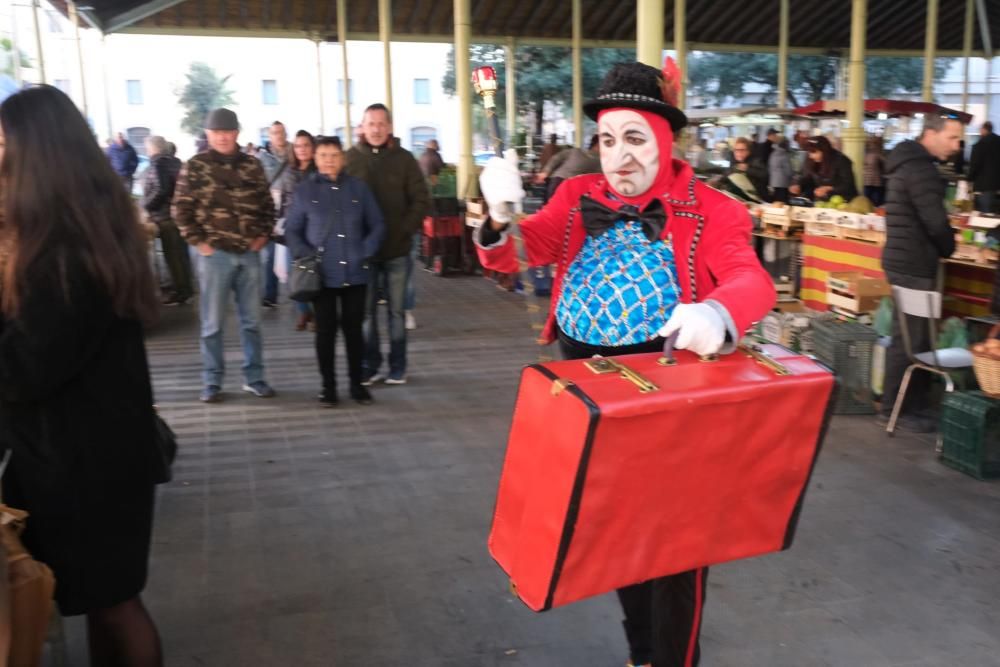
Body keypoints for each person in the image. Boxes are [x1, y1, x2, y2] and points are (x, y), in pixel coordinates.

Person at [477, 60, 775, 667]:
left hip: (672, 406)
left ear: (665, 140)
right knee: (619, 537)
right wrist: (498, 218)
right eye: (608, 141)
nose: (619, 157)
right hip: (590, 397)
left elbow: (751, 278)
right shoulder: (575, 196)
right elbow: (516, 256)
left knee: (676, 547)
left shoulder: (713, 209)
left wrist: (718, 313)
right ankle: (643, 654)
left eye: (635, 139)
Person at [0, 85, 164, 666]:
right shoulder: (90, 225)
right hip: (101, 452)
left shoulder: (66, 252)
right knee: (109, 602)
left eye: (3, 142)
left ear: (34, 152)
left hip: (86, 462)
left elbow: (24, 369)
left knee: (115, 604)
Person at [173, 108, 276, 403]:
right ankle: (212, 381)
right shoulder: (194, 166)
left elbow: (267, 205)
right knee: (212, 324)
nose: (222, 137)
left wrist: (262, 236)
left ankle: (254, 377)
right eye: (216, 132)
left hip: (249, 254)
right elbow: (181, 210)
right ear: (208, 135)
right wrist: (200, 243)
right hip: (214, 255)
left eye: (227, 131)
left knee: (252, 322)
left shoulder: (252, 166)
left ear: (236, 133)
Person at [285, 136, 385, 407]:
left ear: (343, 158)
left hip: (356, 272)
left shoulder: (359, 189)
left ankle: (357, 385)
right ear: (315, 159)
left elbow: (377, 224)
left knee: (354, 331)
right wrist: (305, 254)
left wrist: (366, 250)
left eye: (334, 154)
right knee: (325, 332)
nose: (329, 160)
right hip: (322, 275)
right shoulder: (305, 191)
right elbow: (291, 229)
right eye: (323, 155)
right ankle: (328, 387)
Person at [879, 114, 962, 433]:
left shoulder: (904, 164)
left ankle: (902, 405)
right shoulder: (921, 169)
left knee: (911, 337)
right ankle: (898, 408)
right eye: (952, 138)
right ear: (931, 133)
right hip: (914, 264)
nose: (956, 146)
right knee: (913, 340)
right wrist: (948, 247)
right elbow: (935, 221)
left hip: (902, 261)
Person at [345, 103, 429, 386]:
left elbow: (421, 200)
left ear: (390, 127)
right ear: (362, 127)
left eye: (382, 124)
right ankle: (370, 366)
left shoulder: (405, 159)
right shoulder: (350, 159)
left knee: (396, 312)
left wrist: (405, 230)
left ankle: (398, 366)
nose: (377, 129)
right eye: (371, 124)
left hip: (397, 250)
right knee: (365, 314)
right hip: (363, 253)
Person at [141, 135, 191, 306]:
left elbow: (161, 189)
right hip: (179, 214)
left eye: (147, 148)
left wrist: (146, 205)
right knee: (181, 255)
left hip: (165, 216)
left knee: (172, 257)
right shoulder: (175, 162)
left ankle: (180, 291)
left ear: (153, 148)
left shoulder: (157, 164)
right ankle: (185, 287)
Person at [282, 129, 319, 331]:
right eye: (298, 146)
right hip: (294, 229)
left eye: (306, 145)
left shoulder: (319, 170)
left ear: (312, 148)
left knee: (316, 271)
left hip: (315, 229)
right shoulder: (289, 171)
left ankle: (317, 313)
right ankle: (303, 311)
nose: (302, 149)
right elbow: (286, 201)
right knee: (295, 272)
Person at [257, 121, 294, 308]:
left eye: (281, 132)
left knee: (295, 253)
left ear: (286, 133)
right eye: (274, 133)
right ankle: (270, 295)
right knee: (271, 254)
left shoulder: (295, 152)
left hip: (291, 207)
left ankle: (299, 295)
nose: (278, 135)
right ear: (269, 136)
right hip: (271, 210)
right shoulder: (262, 158)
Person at [535, 134, 602, 202]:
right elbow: (556, 158)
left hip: (573, 187)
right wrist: (545, 172)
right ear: (597, 144)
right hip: (561, 182)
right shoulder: (577, 152)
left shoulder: (601, 161)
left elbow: (556, 158)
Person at [790, 135, 858, 201]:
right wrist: (798, 185)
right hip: (823, 202)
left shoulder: (841, 160)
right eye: (809, 152)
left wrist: (829, 188)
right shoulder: (811, 160)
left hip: (844, 201)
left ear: (824, 150)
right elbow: (807, 177)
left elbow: (848, 185)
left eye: (814, 152)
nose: (810, 156)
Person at [969, 121, 1000, 214]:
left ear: (983, 129)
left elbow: (975, 164)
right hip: (997, 183)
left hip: (983, 184)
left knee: (984, 212)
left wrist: (969, 178)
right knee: (994, 212)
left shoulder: (980, 144)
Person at [768, 137, 793, 203]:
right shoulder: (784, 154)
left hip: (773, 182)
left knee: (776, 201)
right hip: (783, 183)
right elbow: (788, 171)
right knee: (783, 202)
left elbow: (769, 168)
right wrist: (792, 177)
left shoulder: (772, 154)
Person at [863, 135, 886, 207]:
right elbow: (885, 164)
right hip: (876, 182)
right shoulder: (878, 153)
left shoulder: (865, 153)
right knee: (876, 203)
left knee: (867, 202)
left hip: (867, 181)